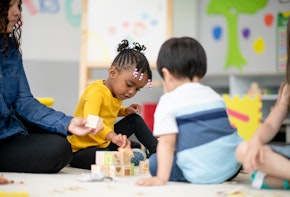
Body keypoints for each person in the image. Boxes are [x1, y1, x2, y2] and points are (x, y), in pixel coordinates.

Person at [0, 0, 103, 173]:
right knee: (58, 149)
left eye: (18, 6)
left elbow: (24, 101)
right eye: (9, 6)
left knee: (62, 135)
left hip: (10, 127)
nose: (17, 12)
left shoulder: (9, 47)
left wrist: (68, 123)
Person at [136, 37, 243, 186]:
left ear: (166, 74)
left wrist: (161, 178)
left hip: (201, 173)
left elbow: (167, 142)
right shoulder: (214, 95)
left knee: (155, 161)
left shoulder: (168, 100)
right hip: (232, 166)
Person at [67, 39, 158, 170]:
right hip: (82, 149)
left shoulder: (115, 92)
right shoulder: (96, 92)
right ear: (113, 73)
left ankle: (157, 151)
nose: (131, 92)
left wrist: (124, 111)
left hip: (105, 141)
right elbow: (92, 121)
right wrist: (113, 136)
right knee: (106, 157)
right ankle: (125, 155)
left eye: (137, 89)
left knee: (135, 121)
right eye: (129, 85)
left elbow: (107, 110)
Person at [235, 18, 290, 190]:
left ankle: (280, 179)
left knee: (261, 178)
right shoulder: (287, 87)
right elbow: (272, 123)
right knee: (243, 150)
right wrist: (257, 141)